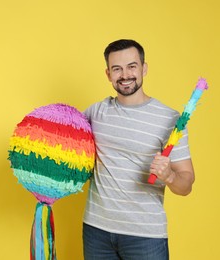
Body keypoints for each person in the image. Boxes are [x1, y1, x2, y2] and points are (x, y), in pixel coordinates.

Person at [82, 39, 195, 260]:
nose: (125, 75)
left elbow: (186, 185)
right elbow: (64, 140)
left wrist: (170, 176)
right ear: (108, 74)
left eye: (132, 66)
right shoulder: (96, 113)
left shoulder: (170, 119)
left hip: (145, 237)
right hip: (96, 231)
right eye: (117, 68)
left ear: (144, 68)